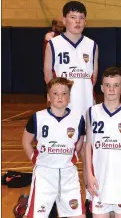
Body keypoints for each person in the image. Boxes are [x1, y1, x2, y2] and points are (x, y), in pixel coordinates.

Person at [22, 77, 86, 218]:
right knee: (36, 215)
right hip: (45, 174)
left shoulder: (78, 119)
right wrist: (34, 158)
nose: (60, 97)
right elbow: (26, 141)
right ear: (48, 97)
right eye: (55, 93)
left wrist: (73, 156)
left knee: (79, 215)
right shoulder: (37, 118)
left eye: (64, 93)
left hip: (68, 174)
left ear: (69, 97)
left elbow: (80, 142)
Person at [85, 67, 121, 217]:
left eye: (116, 85)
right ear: (102, 87)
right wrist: (88, 174)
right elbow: (88, 145)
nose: (111, 89)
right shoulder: (92, 112)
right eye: (108, 85)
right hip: (99, 179)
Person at [44, 1, 98, 118]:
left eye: (81, 18)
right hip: (62, 107)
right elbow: (48, 76)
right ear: (64, 20)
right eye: (73, 17)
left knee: (85, 136)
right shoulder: (53, 44)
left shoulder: (92, 45)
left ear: (85, 21)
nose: (77, 21)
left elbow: (93, 78)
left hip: (86, 104)